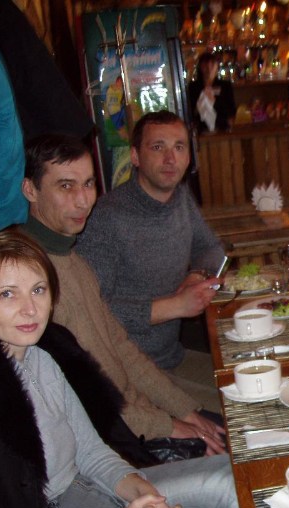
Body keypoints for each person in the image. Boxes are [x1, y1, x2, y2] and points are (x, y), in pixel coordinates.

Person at [0, 231, 251, 508]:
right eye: (7, 294)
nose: (30, 308)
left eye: (38, 290)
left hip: (86, 498)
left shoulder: (42, 358)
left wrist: (145, 497)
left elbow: (91, 452)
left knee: (235, 479)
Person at [19, 132, 225, 450]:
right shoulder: (28, 278)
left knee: (238, 427)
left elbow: (120, 347)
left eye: (88, 184)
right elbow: (85, 395)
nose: (83, 200)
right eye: (66, 186)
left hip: (137, 412)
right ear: (30, 190)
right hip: (111, 441)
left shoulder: (72, 259)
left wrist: (186, 410)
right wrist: (168, 425)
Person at [76, 110, 225, 404]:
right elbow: (91, 311)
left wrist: (196, 275)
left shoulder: (180, 197)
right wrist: (175, 306)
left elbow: (211, 248)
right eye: (158, 147)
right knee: (235, 411)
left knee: (252, 380)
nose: (171, 159)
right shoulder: (106, 218)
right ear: (135, 156)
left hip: (172, 356)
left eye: (179, 147)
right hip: (126, 375)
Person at [188, 52, 236, 133]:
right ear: (200, 67)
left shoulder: (225, 86)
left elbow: (231, 109)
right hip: (200, 129)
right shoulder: (193, 87)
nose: (209, 68)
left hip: (222, 128)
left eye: (212, 64)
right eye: (205, 64)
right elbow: (190, 110)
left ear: (217, 66)